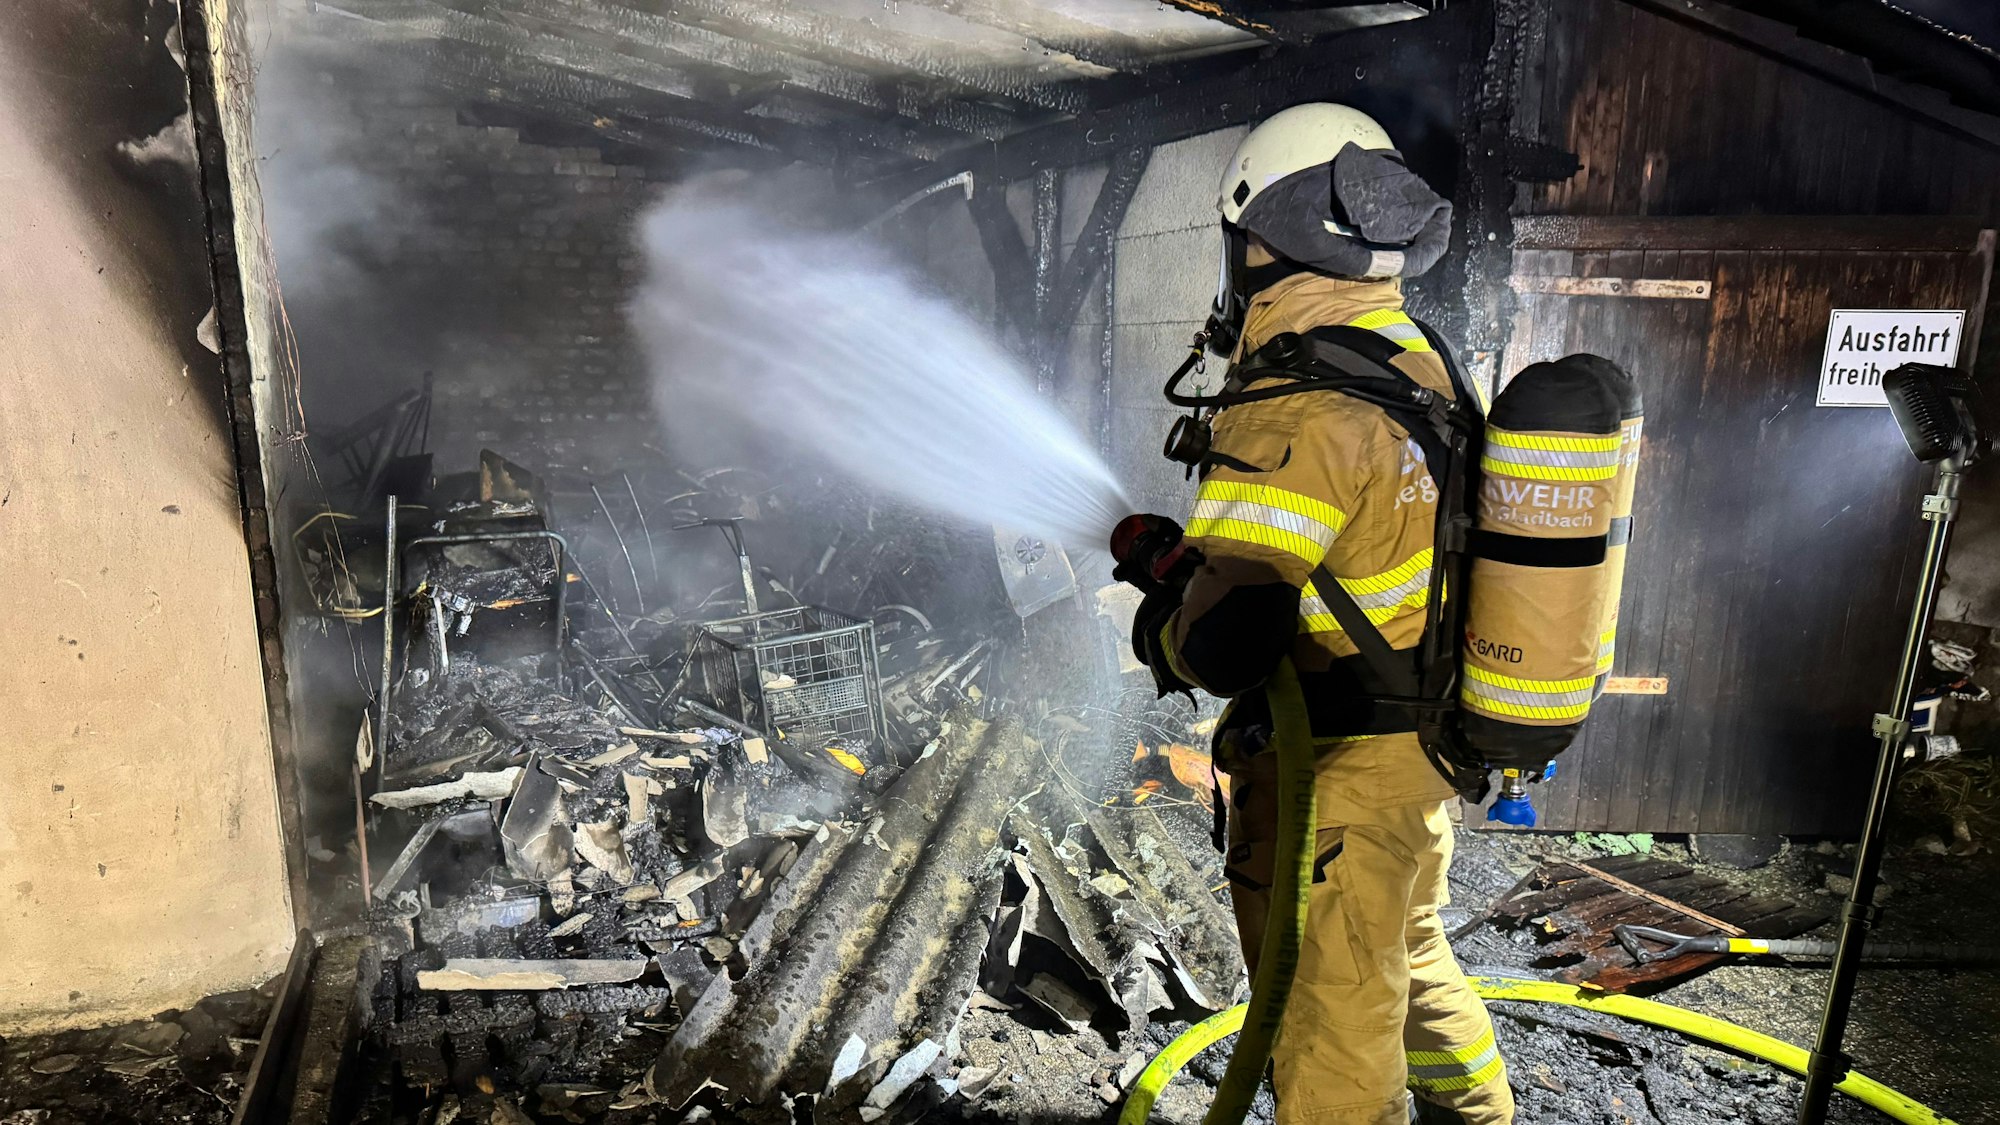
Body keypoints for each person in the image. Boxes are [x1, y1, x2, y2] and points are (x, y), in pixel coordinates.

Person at [1133, 103, 1515, 1125]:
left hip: (1335, 773)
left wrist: (1161, 617)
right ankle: (1475, 1115)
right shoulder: (1413, 357)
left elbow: (1224, 643)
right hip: (1417, 745)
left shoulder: (1294, 405)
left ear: (1257, 240)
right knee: (1404, 946)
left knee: (1326, 1007)